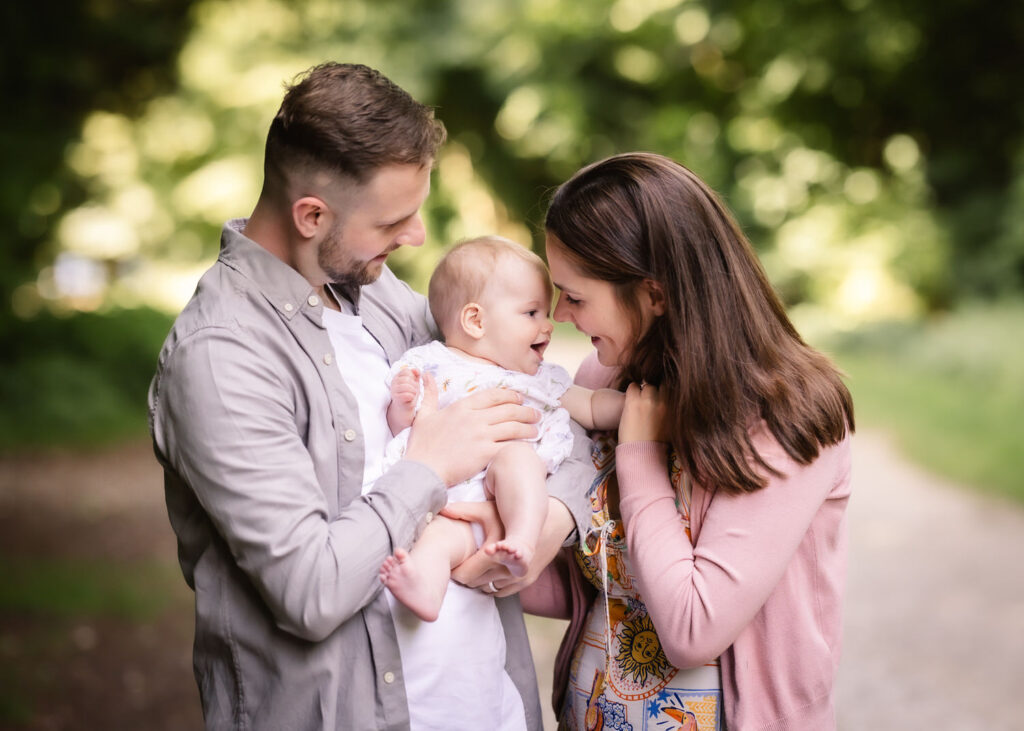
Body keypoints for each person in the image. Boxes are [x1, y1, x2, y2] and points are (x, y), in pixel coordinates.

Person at [147, 62, 594, 731]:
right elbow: (310, 589)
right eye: (396, 219)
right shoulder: (221, 357)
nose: (416, 237)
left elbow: (549, 420)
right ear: (312, 215)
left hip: (484, 706)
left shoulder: (383, 298)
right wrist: (428, 469)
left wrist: (538, 526)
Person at [513, 152, 855, 730]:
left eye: (575, 295)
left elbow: (692, 629)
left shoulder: (786, 416)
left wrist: (640, 456)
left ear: (655, 295)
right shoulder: (605, 381)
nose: (559, 316)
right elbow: (587, 586)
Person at [379, 236, 624, 622]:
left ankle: (524, 539)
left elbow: (593, 407)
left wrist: (640, 407)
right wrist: (404, 402)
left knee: (518, 457)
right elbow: (404, 429)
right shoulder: (430, 364)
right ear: (476, 321)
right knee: (439, 541)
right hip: (447, 501)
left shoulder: (541, 379)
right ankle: (426, 588)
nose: (549, 324)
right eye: (531, 313)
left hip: (504, 498)